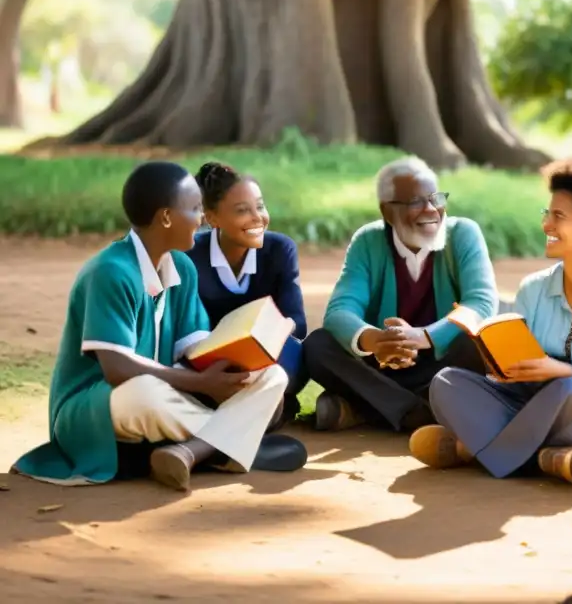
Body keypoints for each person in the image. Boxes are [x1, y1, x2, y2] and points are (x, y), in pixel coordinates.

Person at [11, 161, 289, 492]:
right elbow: (116, 369)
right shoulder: (110, 271)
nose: (202, 219)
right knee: (145, 393)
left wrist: (239, 368)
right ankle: (237, 441)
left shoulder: (182, 267)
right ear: (167, 218)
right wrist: (202, 383)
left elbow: (196, 347)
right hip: (97, 405)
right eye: (195, 209)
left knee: (274, 375)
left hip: (170, 391)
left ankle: (191, 451)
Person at [409, 157, 572, 486]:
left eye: (559, 216)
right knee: (446, 382)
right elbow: (521, 355)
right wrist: (503, 366)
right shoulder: (534, 287)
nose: (546, 225)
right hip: (528, 400)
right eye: (547, 214)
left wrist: (561, 370)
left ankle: (478, 451)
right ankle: (545, 456)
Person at [303, 156, 499, 433]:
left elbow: (481, 302)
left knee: (479, 339)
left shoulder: (463, 233)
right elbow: (339, 311)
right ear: (387, 212)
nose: (431, 210)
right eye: (416, 202)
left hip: (441, 365)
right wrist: (376, 340)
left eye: (436, 198)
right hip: (380, 366)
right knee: (318, 345)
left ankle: (364, 409)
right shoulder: (368, 241)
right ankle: (417, 412)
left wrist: (422, 337)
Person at [186, 161, 308, 423]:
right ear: (213, 218)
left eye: (260, 206)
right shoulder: (190, 256)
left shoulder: (279, 250)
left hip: (269, 356)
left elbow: (297, 323)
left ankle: (258, 407)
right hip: (213, 367)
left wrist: (268, 333)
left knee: (300, 350)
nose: (257, 218)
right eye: (243, 210)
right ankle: (266, 411)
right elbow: (186, 332)